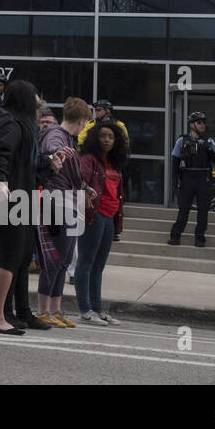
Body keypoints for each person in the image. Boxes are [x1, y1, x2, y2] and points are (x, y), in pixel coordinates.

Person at [0, 80, 43, 335]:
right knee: (10, 256)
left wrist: (49, 163)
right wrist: (2, 182)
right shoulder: (14, 123)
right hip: (10, 197)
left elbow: (19, 162)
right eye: (36, 98)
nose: (38, 104)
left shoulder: (9, 121)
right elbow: (2, 155)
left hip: (3, 194)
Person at [36, 97, 89, 327]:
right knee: (55, 258)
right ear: (82, 120)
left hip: (66, 199)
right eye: (86, 122)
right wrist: (59, 153)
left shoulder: (66, 137)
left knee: (64, 258)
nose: (86, 127)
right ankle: (43, 309)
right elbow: (52, 149)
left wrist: (85, 188)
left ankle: (54, 309)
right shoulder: (57, 135)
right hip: (57, 200)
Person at [74, 123, 128, 326]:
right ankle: (85, 309)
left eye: (111, 137)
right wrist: (86, 191)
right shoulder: (89, 159)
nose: (107, 140)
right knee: (86, 263)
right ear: (95, 138)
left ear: (116, 141)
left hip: (110, 217)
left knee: (99, 266)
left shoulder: (114, 163)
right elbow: (78, 180)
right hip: (93, 216)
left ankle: (97, 308)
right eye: (103, 136)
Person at [167, 111, 215, 248]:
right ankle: (175, 236)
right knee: (183, 209)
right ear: (192, 125)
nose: (203, 125)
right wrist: (175, 180)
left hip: (203, 178)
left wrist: (208, 148)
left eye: (204, 122)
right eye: (199, 122)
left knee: (203, 210)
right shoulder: (182, 140)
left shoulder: (209, 140)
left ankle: (200, 238)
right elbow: (175, 161)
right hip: (187, 178)